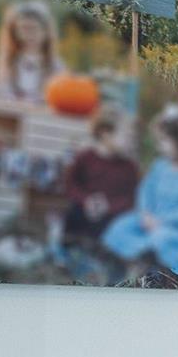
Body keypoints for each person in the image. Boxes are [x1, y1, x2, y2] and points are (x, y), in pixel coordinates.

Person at [102, 106, 178, 284]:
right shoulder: (160, 166)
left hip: (175, 228)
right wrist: (145, 214)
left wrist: (162, 221)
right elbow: (146, 191)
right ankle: (121, 266)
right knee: (121, 226)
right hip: (149, 220)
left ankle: (156, 272)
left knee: (160, 239)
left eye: (164, 141)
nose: (160, 146)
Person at [54, 112, 141, 265]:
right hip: (83, 212)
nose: (131, 142)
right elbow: (70, 185)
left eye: (133, 138)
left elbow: (132, 198)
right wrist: (86, 200)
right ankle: (66, 258)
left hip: (112, 220)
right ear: (105, 134)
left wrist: (108, 206)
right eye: (127, 136)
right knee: (73, 216)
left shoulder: (130, 167)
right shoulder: (85, 158)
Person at [0, 0, 58, 103]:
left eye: (34, 28)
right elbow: (2, 90)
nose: (29, 35)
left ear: (46, 32)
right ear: (15, 32)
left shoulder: (54, 65)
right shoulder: (10, 62)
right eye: (23, 29)